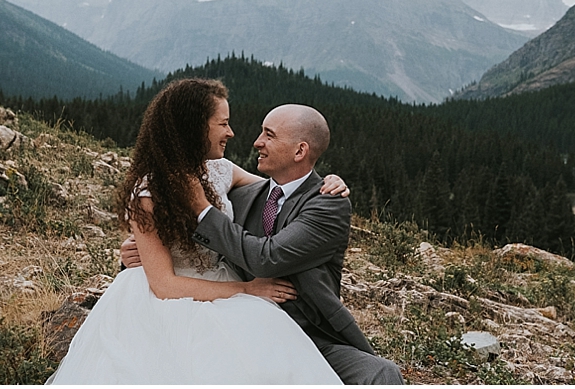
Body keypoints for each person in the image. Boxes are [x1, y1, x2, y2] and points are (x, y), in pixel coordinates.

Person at [47, 78, 347, 384]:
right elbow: (163, 286)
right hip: (172, 301)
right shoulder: (150, 192)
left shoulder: (220, 170)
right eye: (223, 124)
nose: (231, 133)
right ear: (195, 127)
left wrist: (326, 182)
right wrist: (245, 290)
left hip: (224, 284)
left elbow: (282, 188)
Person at [122, 103, 404, 385]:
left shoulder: (327, 205)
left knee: (381, 373)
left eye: (269, 135)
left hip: (311, 337)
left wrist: (202, 208)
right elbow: (184, 236)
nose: (257, 142)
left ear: (300, 151)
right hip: (241, 325)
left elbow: (265, 258)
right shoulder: (244, 196)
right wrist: (140, 252)